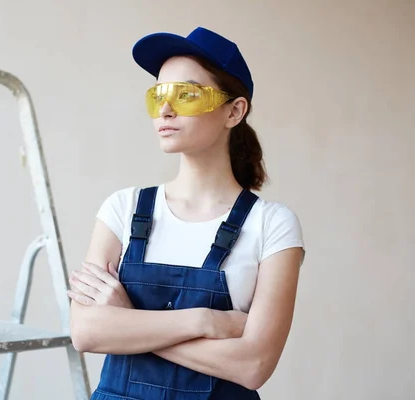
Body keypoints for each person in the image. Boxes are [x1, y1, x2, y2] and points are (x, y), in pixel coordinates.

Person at [67, 26, 305, 400]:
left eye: (186, 94)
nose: (165, 109)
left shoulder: (272, 225)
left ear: (234, 111)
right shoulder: (122, 209)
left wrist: (128, 321)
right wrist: (205, 321)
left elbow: (253, 365)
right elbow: (85, 332)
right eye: (157, 94)